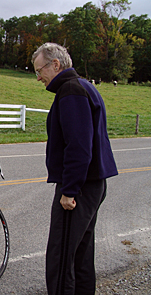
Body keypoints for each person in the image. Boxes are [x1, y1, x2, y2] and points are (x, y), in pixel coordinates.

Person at [31, 43, 118, 295]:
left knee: (60, 257)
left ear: (55, 64)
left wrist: (69, 190)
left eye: (40, 70)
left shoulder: (71, 91)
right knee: (80, 253)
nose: (38, 77)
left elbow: (78, 146)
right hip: (91, 184)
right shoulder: (84, 86)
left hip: (79, 188)